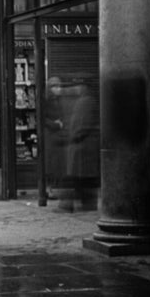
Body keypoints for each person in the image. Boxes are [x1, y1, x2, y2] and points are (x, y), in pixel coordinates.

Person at [63, 78, 100, 211]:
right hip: (81, 145)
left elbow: (84, 124)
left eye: (80, 85)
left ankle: (87, 203)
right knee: (82, 177)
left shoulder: (87, 101)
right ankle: (85, 203)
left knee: (84, 177)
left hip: (84, 146)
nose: (77, 88)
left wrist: (75, 136)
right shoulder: (83, 101)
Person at [44, 76, 67, 198]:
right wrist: (55, 124)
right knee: (50, 163)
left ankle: (52, 187)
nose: (58, 89)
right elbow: (43, 118)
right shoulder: (47, 100)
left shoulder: (59, 100)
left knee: (56, 163)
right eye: (55, 87)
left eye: (59, 86)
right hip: (49, 135)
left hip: (57, 135)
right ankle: (48, 189)